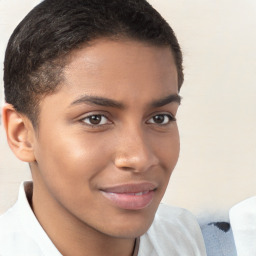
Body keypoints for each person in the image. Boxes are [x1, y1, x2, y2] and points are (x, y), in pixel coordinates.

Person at [0, 0, 206, 255]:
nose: (140, 158)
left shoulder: (183, 234)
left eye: (160, 118)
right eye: (95, 119)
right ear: (21, 135)